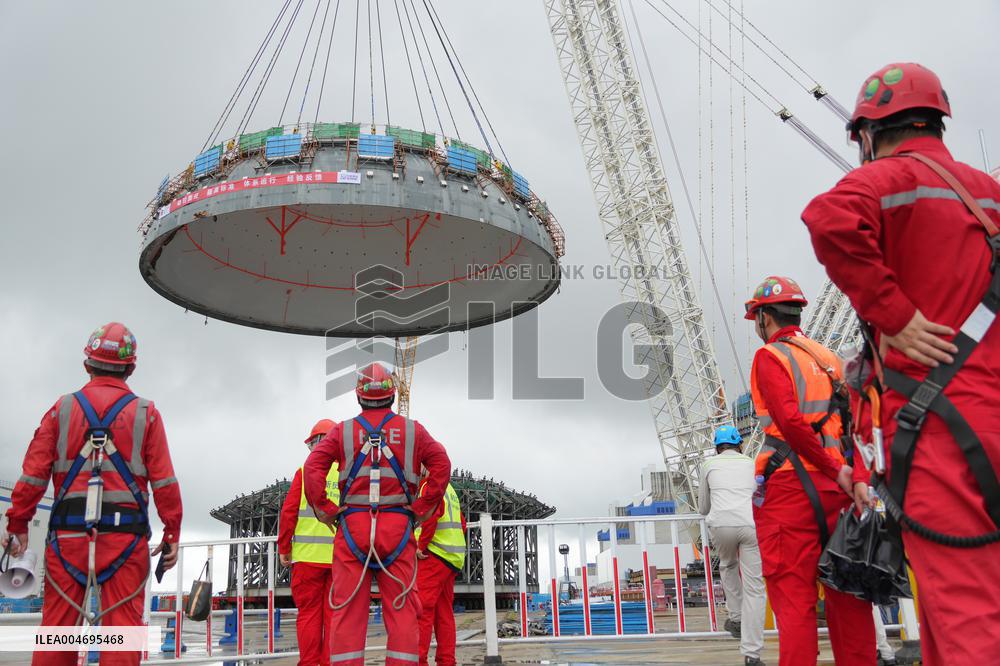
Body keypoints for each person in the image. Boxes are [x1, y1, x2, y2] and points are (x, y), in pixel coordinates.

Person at [802, 62, 1000, 665]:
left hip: (941, 427)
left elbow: (827, 218)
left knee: (964, 607)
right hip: (988, 412)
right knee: (954, 605)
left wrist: (894, 314)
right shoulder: (988, 196)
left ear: (866, 133)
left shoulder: (889, 179)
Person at [2, 323, 182, 666]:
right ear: (131, 367)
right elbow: (165, 482)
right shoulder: (147, 414)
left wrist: (18, 526)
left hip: (67, 537)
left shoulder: (62, 410)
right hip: (126, 541)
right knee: (123, 634)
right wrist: (172, 532)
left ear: (87, 364)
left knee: (57, 633)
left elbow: (33, 473)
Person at [745, 278, 876, 666]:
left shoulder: (771, 356)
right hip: (840, 492)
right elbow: (858, 427)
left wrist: (833, 469)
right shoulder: (832, 360)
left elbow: (788, 421)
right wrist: (854, 477)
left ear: (764, 317)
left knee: (794, 601)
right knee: (849, 597)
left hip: (791, 490)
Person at [304, 362, 451, 666]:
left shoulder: (342, 431)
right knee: (403, 614)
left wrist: (326, 510)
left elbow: (313, 467)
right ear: (393, 394)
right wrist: (423, 508)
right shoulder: (413, 431)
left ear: (358, 396)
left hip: (352, 529)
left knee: (346, 615)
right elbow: (441, 465)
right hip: (398, 529)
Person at [698, 425, 765, 666]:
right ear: (739, 444)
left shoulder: (708, 465)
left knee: (727, 566)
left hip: (722, 525)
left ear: (717, 446)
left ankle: (735, 618)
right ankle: (752, 653)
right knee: (756, 588)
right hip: (750, 524)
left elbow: (703, 508)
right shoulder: (751, 462)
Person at [278, 419, 339, 666]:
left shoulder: (304, 472)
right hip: (339, 560)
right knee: (334, 616)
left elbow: (289, 511)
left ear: (314, 444)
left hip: (306, 559)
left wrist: (284, 547)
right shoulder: (347, 473)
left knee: (309, 616)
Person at [414, 477, 467, 666]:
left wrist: (421, 546)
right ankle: (447, 661)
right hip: (451, 559)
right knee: (444, 614)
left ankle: (418, 661)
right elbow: (462, 524)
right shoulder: (449, 488)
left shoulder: (429, 485)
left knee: (422, 611)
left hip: (433, 555)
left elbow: (430, 517)